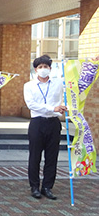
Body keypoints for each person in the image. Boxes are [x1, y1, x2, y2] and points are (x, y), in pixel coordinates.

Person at [24, 55, 67, 200]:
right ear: (35, 69)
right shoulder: (29, 85)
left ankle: (47, 187)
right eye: (40, 67)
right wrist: (52, 108)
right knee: (35, 156)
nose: (43, 70)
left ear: (50, 68)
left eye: (46, 67)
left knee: (52, 157)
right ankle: (34, 187)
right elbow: (32, 105)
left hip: (54, 123)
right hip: (37, 123)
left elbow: (69, 93)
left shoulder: (58, 83)